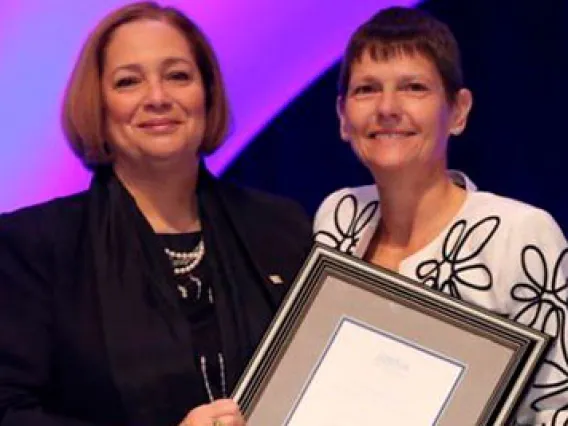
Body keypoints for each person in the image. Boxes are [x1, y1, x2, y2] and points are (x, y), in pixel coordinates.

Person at [0, 2, 312, 425]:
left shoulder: (281, 227)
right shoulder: (34, 246)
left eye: (178, 76)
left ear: (207, 93)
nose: (158, 98)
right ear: (98, 104)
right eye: (129, 81)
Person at [314, 6, 568, 425]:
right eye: (366, 90)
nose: (387, 108)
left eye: (414, 87)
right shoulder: (338, 218)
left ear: (459, 111)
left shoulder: (518, 234)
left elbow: (558, 406)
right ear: (343, 116)